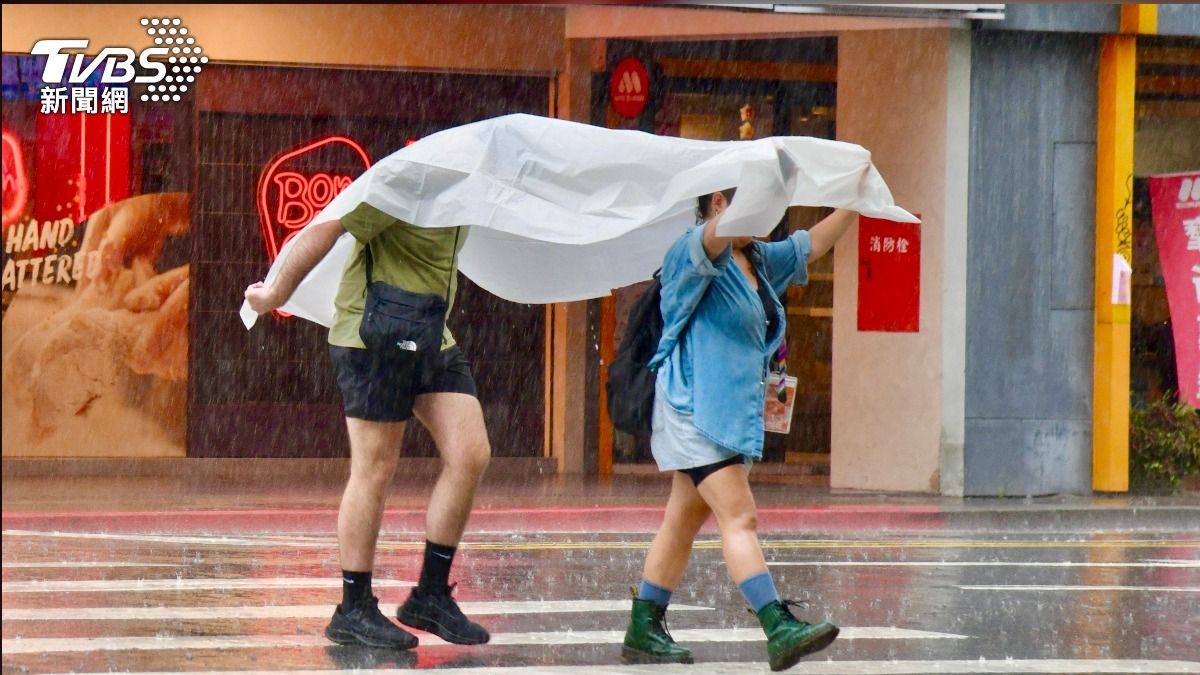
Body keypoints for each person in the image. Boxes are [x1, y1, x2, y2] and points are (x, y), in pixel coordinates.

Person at [622, 189, 857, 671]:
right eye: (756, 205)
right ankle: (777, 626)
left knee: (681, 522)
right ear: (718, 204)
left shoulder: (756, 258)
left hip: (730, 416)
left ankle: (643, 627)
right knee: (739, 517)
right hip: (695, 412)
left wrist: (855, 201)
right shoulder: (693, 251)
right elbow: (713, 238)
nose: (767, 216)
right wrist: (735, 210)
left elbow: (810, 244)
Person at [244, 202, 491, 650]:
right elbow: (324, 230)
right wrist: (276, 294)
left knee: (470, 453)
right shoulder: (404, 185)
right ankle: (353, 608)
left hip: (432, 335)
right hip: (372, 332)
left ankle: (429, 596)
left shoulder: (469, 188)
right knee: (374, 467)